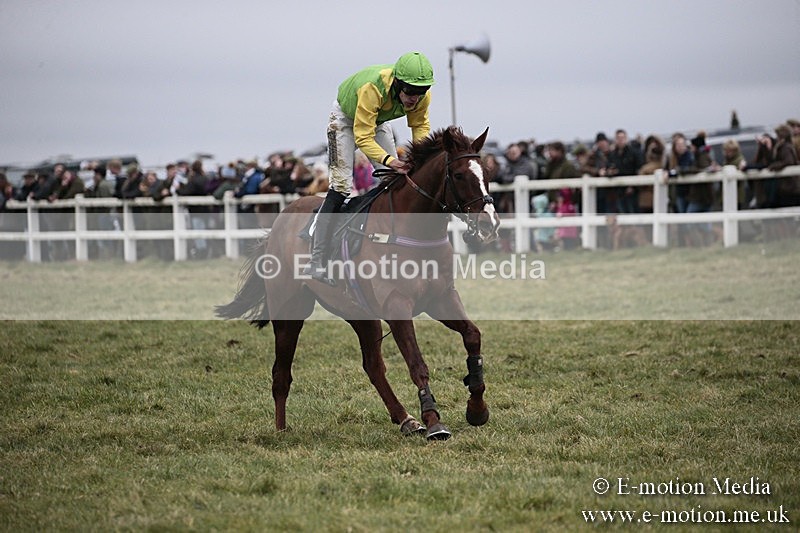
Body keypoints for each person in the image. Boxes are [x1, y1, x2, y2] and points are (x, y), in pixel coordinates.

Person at [305, 51, 435, 284]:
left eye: (420, 93)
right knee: (342, 186)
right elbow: (363, 138)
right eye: (409, 92)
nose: (414, 99)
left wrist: (419, 157)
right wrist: (390, 160)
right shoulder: (372, 89)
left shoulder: (422, 96)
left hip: (377, 120)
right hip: (344, 120)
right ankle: (317, 258)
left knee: (395, 179)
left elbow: (420, 127)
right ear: (397, 83)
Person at [606, 129, 643, 213]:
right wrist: (610, 172)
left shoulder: (633, 153)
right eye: (618, 138)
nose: (620, 140)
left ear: (626, 138)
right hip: (619, 190)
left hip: (632, 190)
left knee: (633, 212)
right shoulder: (612, 154)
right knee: (623, 214)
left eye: (622, 138)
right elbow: (608, 167)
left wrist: (632, 186)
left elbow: (638, 169)